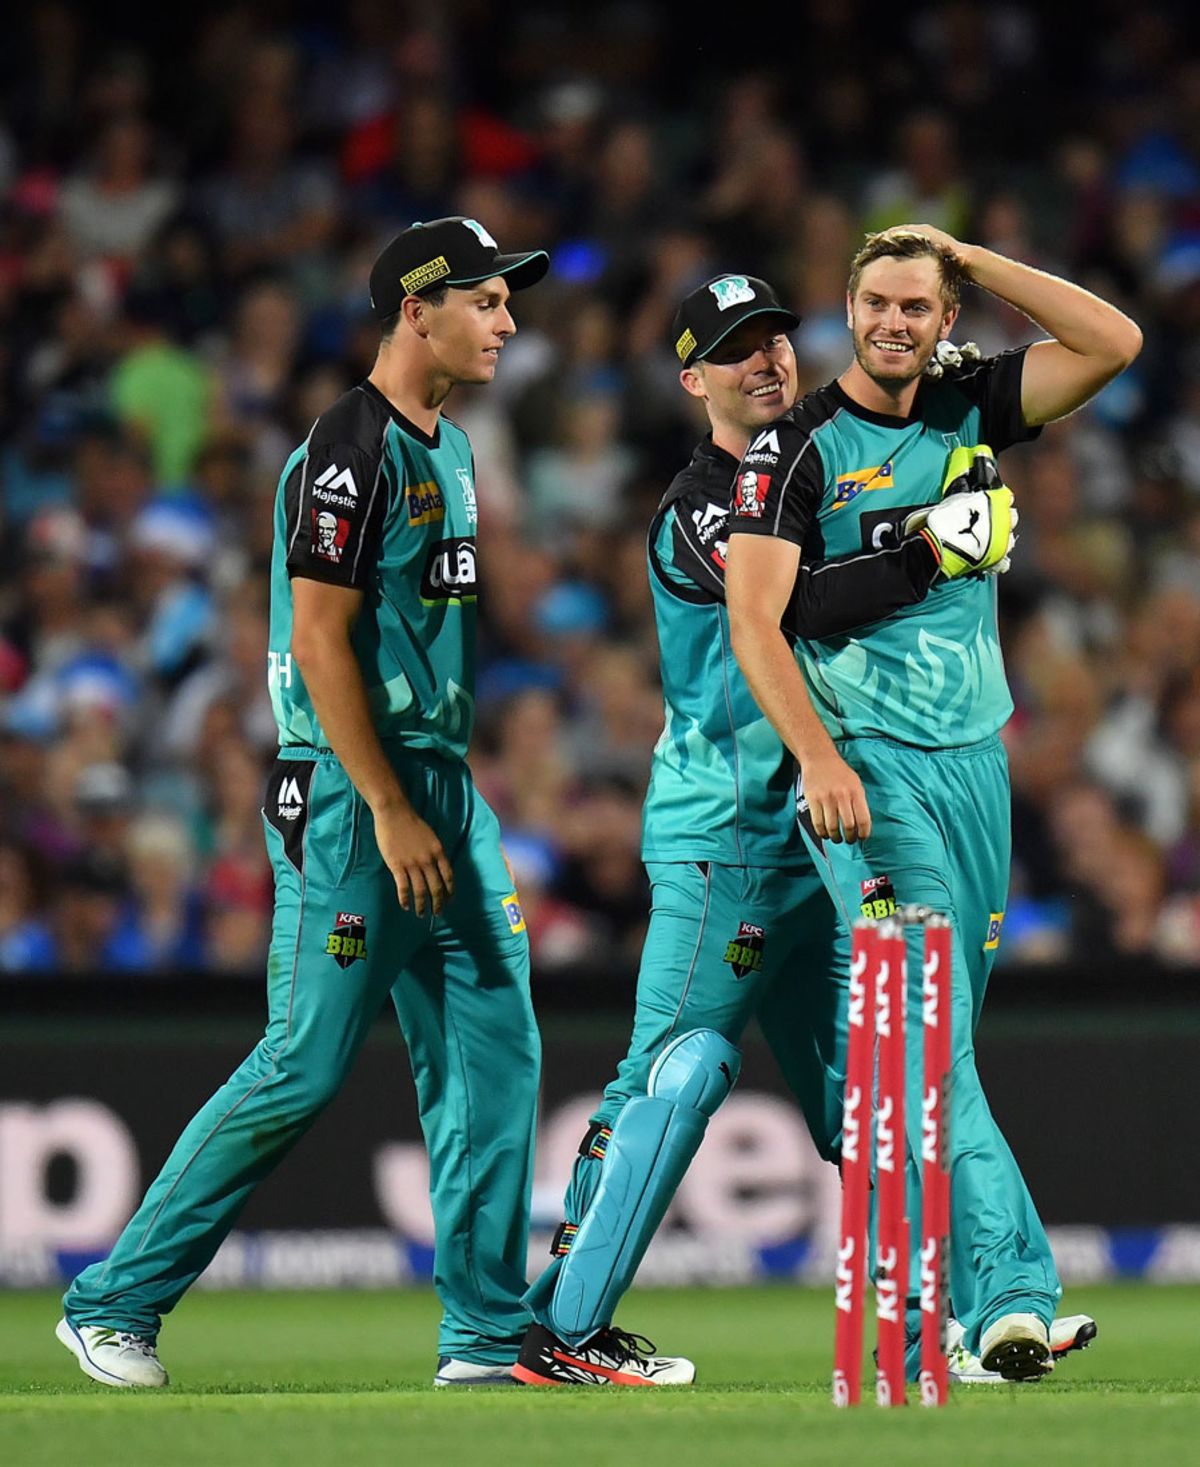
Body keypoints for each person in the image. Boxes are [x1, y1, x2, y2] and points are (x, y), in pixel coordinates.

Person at [57, 216, 550, 1389]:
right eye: (486, 300)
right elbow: (322, 646)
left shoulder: (453, 449)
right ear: (416, 310)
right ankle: (113, 1300)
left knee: (495, 1045)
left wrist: (431, 793)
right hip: (353, 788)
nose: (509, 321)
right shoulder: (346, 448)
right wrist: (384, 803)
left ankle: (484, 1332)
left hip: (439, 782)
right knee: (304, 1059)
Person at [514, 274, 990, 1387]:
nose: (767, 360)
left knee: (876, 1090)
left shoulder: (818, 465)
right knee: (673, 1070)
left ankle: (959, 1323)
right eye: (736, 351)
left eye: (777, 338)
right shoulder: (701, 507)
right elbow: (805, 601)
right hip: (729, 836)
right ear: (695, 381)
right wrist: (931, 544)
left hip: (826, 829)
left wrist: (938, 410)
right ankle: (558, 1330)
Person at [724, 226, 1141, 1381]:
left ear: (945, 316)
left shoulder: (969, 406)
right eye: (874, 303)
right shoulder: (794, 450)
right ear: (845, 311)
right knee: (928, 1037)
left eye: (917, 304)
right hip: (869, 767)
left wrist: (968, 252)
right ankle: (1013, 1295)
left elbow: (1113, 341)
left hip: (976, 763)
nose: (893, 323)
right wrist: (817, 759)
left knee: (934, 1045)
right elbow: (753, 619)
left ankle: (955, 1318)